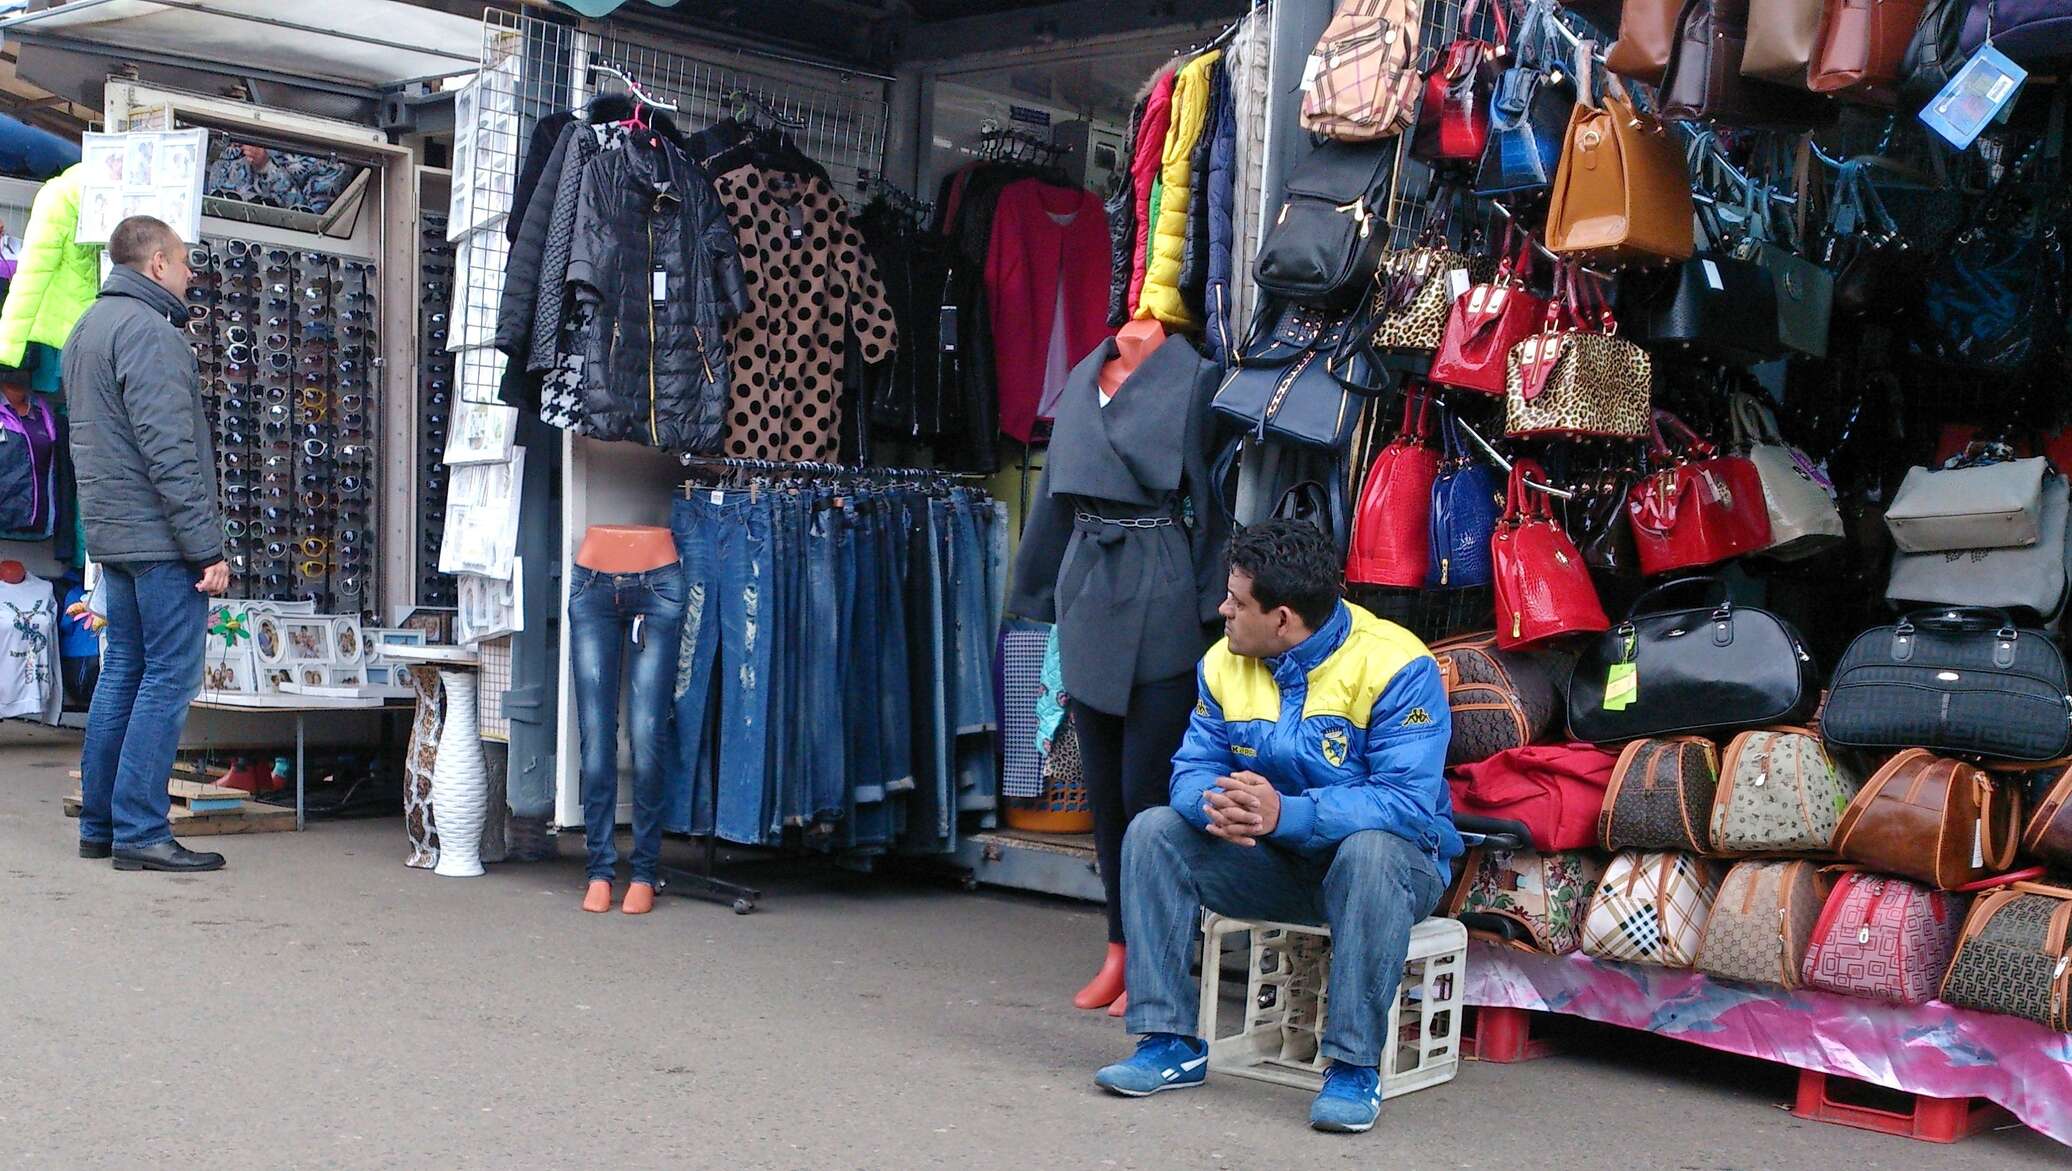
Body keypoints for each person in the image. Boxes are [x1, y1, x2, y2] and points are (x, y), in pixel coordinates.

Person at [1092, 519, 1462, 1133]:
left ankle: (1353, 1068)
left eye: (1237, 603)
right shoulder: (1223, 661)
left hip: (1391, 875)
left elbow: (1406, 803)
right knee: (1154, 831)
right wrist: (1215, 804)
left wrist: (1285, 814)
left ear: (1282, 619)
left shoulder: (1397, 664)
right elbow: (1192, 768)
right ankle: (1167, 1043)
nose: (1223, 611)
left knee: (1370, 851)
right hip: (1274, 865)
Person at [65, 215, 229, 873]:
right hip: (161, 537)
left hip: (114, 534)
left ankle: (102, 825)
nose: (190, 274)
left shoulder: (88, 327)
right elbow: (170, 453)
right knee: (167, 676)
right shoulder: (151, 334)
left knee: (125, 670)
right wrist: (206, 547)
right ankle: (140, 829)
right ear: (157, 263)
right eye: (184, 261)